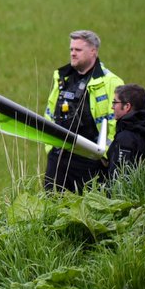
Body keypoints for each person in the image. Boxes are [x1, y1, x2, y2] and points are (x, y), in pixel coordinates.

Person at [43, 30, 122, 192]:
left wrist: (105, 155)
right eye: (71, 49)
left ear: (93, 51)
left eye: (78, 50)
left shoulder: (110, 82)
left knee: (88, 204)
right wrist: (50, 148)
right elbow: (49, 115)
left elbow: (116, 123)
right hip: (59, 158)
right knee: (50, 202)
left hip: (91, 161)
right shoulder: (62, 78)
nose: (73, 53)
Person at [106, 84, 145, 180]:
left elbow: (118, 178)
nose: (112, 107)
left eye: (115, 102)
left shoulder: (125, 137)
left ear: (127, 106)